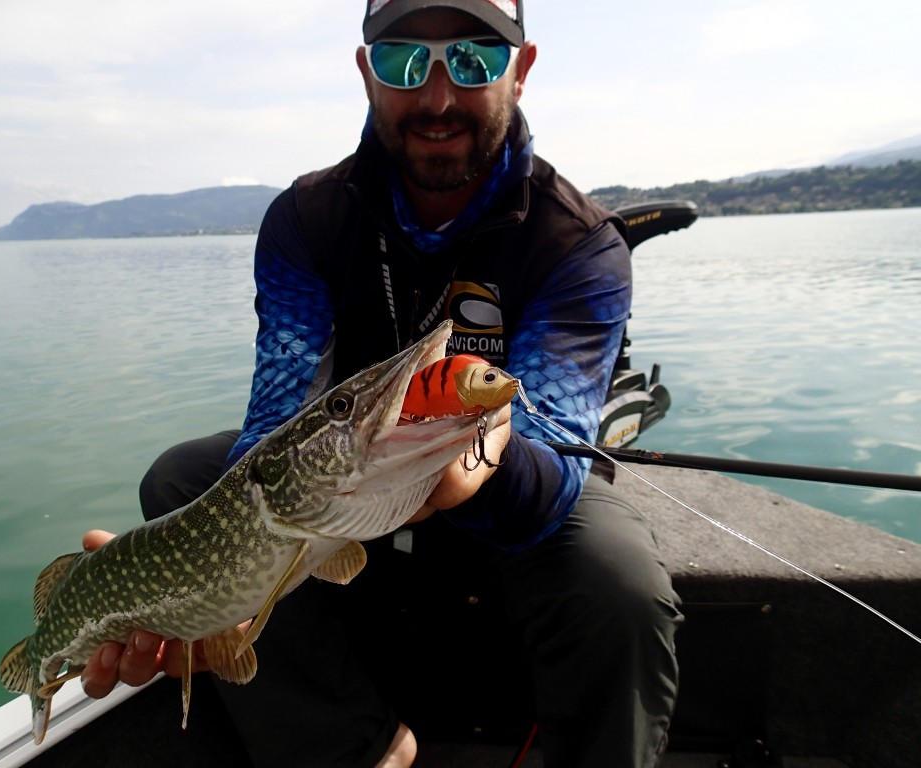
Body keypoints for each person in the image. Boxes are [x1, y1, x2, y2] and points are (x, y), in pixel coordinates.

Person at [81, 1, 682, 766]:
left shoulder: (580, 246)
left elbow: (552, 468)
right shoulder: (304, 220)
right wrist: (228, 599)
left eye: (473, 60)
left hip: (493, 485)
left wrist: (476, 454)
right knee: (181, 479)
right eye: (404, 60)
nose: (437, 98)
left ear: (521, 71)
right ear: (367, 73)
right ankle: (363, 752)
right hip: (344, 486)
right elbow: (274, 424)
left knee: (621, 586)